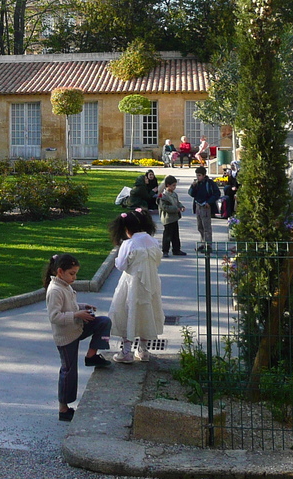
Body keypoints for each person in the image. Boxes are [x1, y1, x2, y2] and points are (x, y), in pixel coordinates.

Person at [44, 253, 111, 422]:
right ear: (60, 272)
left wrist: (82, 307)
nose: (75, 277)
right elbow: (54, 317)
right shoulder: (55, 290)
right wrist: (76, 314)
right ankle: (63, 409)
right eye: (72, 273)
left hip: (77, 328)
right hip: (66, 336)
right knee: (68, 370)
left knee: (104, 322)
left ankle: (91, 356)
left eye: (76, 273)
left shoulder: (65, 285)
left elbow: (70, 306)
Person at [107, 209, 164, 363]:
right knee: (147, 311)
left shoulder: (128, 244)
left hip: (131, 283)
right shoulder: (153, 241)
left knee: (127, 311)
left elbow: (121, 265)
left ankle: (126, 351)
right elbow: (157, 261)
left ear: (127, 229)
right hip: (151, 283)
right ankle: (144, 350)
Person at [187, 166, 221, 253]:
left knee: (206, 227)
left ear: (204, 175)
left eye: (199, 175)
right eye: (197, 175)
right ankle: (203, 243)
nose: (198, 177)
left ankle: (208, 245)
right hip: (198, 205)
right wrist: (192, 186)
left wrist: (209, 202)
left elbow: (217, 193)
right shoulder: (196, 184)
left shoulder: (209, 183)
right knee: (200, 227)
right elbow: (191, 194)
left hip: (205, 206)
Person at [158, 175, 186, 256]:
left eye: (175, 185)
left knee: (175, 235)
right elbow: (165, 207)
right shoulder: (163, 196)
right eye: (173, 185)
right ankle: (165, 250)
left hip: (174, 218)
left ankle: (176, 249)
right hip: (167, 218)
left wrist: (181, 206)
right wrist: (175, 209)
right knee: (167, 236)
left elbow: (177, 202)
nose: (174, 187)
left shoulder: (174, 194)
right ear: (167, 185)